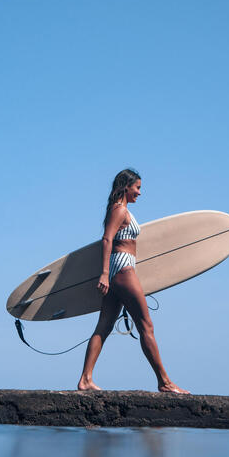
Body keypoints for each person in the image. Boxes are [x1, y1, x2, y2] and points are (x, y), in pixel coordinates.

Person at [77, 168, 189, 394]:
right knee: (146, 325)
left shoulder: (120, 210)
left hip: (120, 269)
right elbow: (107, 239)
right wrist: (105, 274)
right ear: (125, 187)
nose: (139, 192)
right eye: (137, 187)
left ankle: (85, 379)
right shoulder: (119, 210)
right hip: (122, 270)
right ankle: (164, 382)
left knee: (105, 325)